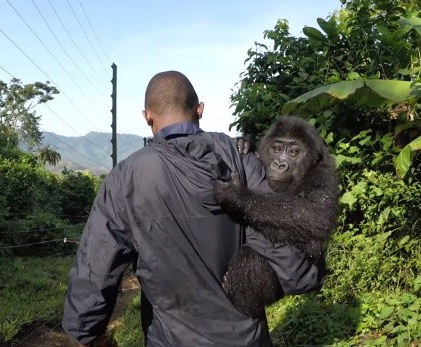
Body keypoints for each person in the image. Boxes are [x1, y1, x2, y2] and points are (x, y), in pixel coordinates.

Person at [62, 70, 323, 346]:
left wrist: (86, 332)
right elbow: (295, 259)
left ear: (147, 116)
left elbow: (96, 268)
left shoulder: (126, 178)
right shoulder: (242, 160)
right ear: (200, 110)